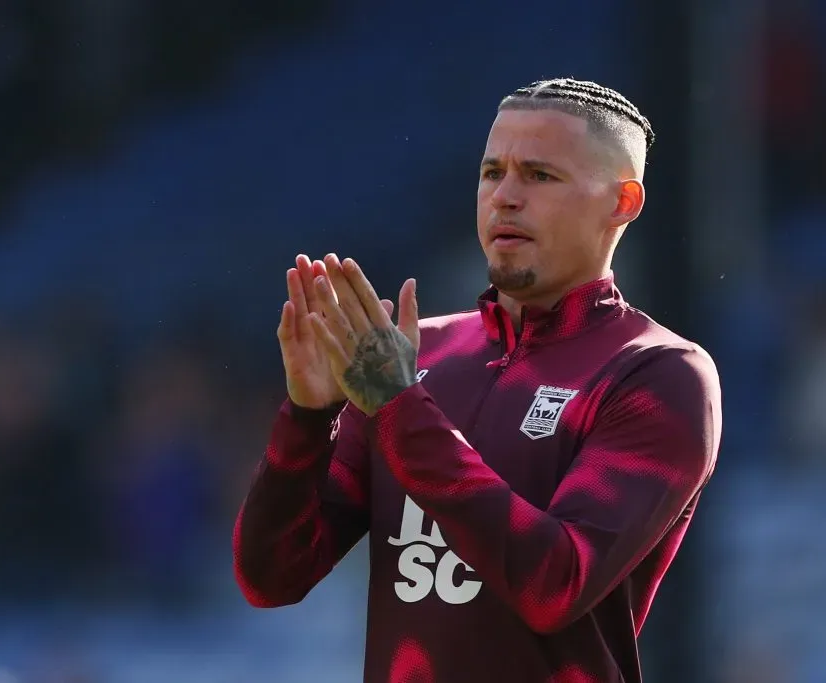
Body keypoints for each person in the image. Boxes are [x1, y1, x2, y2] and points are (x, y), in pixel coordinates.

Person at [233, 78, 722, 683]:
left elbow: (554, 586)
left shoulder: (658, 373)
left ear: (622, 201)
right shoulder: (415, 358)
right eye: (493, 172)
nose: (505, 197)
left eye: (540, 175)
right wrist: (308, 420)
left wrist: (397, 405)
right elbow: (271, 577)